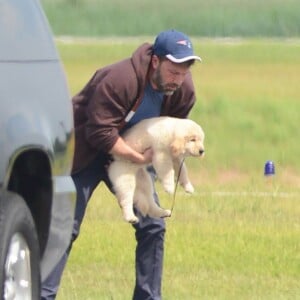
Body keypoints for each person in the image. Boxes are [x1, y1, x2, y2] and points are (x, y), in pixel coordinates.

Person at [41, 29, 201, 300]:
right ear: (155, 62)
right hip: (86, 151)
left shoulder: (183, 92)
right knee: (64, 227)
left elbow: (171, 130)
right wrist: (138, 158)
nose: (178, 79)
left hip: (131, 156)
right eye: (173, 71)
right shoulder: (119, 79)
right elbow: (99, 132)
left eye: (184, 72)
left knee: (153, 225)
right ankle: (40, 294)